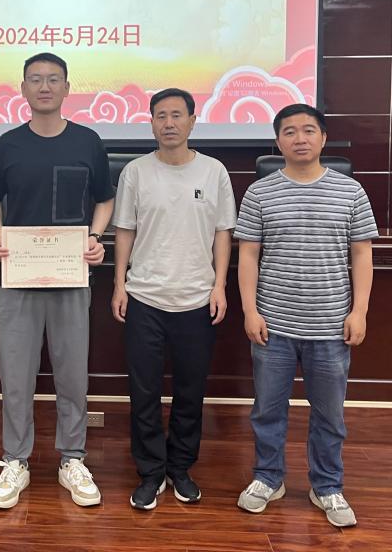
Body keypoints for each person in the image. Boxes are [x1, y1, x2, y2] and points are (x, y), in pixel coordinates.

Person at [0, 52, 114, 509]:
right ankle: (15, 460)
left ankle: (72, 458)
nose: (44, 87)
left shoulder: (88, 142)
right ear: (23, 89)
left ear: (67, 88)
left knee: (72, 373)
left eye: (53, 79)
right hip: (18, 277)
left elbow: (105, 200)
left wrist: (95, 238)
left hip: (71, 277)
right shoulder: (8, 145)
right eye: (35, 79)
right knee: (16, 374)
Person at [234, 103, 376, 528]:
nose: (300, 138)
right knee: (267, 410)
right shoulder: (259, 193)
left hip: (330, 325)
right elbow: (248, 256)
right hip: (273, 324)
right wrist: (250, 310)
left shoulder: (351, 192)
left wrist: (359, 311)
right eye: (290, 131)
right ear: (278, 141)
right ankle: (268, 478)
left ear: (323, 138)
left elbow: (362, 255)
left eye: (309, 130)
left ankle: (327, 486)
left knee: (329, 414)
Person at [111, 88, 237, 511]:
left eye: (177, 115)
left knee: (190, 390)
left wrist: (219, 285)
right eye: (160, 115)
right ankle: (150, 471)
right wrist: (119, 284)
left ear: (192, 121)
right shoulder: (135, 172)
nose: (169, 123)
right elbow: (124, 230)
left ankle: (180, 468)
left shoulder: (214, 171)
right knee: (143, 391)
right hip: (144, 296)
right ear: (151, 122)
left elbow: (223, 232)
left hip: (197, 298)